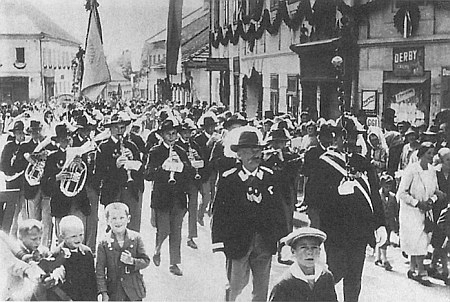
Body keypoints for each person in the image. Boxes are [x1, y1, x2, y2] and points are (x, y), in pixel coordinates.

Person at [306, 118, 386, 302]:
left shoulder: (362, 162)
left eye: (353, 137)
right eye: (345, 136)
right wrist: (336, 191)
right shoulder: (323, 163)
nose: (350, 141)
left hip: (360, 231)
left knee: (354, 278)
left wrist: (380, 224)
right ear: (336, 137)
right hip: (335, 231)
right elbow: (313, 200)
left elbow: (374, 194)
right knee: (336, 271)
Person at [211, 126, 288, 302]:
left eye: (258, 150)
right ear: (239, 155)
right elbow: (219, 213)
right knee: (236, 285)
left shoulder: (269, 177)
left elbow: (278, 209)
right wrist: (218, 243)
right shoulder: (229, 179)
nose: (256, 155)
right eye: (250, 151)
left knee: (261, 290)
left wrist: (283, 238)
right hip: (238, 241)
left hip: (264, 241)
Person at [145, 118, 192, 276]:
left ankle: (174, 263)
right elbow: (148, 174)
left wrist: (182, 166)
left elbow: (190, 173)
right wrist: (163, 168)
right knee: (164, 229)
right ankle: (158, 249)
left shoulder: (181, 151)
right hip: (162, 197)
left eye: (174, 134)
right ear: (162, 135)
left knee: (176, 231)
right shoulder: (155, 151)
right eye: (168, 134)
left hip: (178, 197)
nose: (171, 137)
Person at [397, 142, 445, 286]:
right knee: (416, 240)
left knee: (423, 240)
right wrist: (417, 203)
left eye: (433, 153)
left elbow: (435, 190)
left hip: (426, 211)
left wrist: (432, 200)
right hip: (411, 211)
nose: (431, 156)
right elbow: (401, 193)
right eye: (428, 153)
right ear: (421, 154)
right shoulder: (411, 170)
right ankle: (421, 272)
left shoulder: (432, 170)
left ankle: (412, 270)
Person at [97, 112, 144, 232]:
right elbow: (99, 173)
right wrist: (115, 165)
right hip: (113, 193)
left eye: (122, 128)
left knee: (132, 228)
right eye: (116, 128)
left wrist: (133, 159)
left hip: (130, 192)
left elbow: (141, 170)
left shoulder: (132, 146)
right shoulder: (103, 147)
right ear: (110, 129)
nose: (119, 131)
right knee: (114, 228)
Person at [96, 202, 150, 301]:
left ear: (128, 219)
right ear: (107, 221)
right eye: (114, 218)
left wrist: (132, 261)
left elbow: (146, 261)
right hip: (114, 292)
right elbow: (100, 271)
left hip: (134, 291)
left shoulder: (136, 238)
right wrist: (103, 292)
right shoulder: (103, 243)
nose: (118, 222)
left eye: (121, 218)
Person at [269, 227, 337, 302]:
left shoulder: (326, 277)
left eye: (314, 247)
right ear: (293, 251)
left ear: (319, 251)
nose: (309, 252)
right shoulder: (284, 283)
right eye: (303, 247)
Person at [175, 119, 205, 249]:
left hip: (193, 180)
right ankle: (176, 232)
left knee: (193, 208)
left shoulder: (195, 145)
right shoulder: (175, 145)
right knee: (181, 209)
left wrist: (197, 157)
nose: (187, 135)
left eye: (189, 132)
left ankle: (191, 236)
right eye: (184, 132)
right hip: (180, 181)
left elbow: (203, 162)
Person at [57, 215, 97, 301]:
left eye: (81, 235)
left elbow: (92, 279)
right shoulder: (57, 254)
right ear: (62, 236)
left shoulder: (87, 252)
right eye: (73, 236)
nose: (78, 239)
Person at [428, 147, 450, 284]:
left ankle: (436, 266)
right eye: (448, 160)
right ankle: (436, 266)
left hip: (448, 209)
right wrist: (437, 193)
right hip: (436, 209)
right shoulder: (435, 172)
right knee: (438, 238)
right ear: (441, 160)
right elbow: (429, 187)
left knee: (443, 238)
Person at [0, 120, 26, 235]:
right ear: (14, 134)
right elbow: (3, 165)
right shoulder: (9, 146)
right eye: (18, 133)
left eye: (22, 133)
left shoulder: (26, 147)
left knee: (23, 211)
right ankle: (9, 235)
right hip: (12, 182)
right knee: (13, 211)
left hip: (24, 183)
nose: (21, 135)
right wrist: (13, 172)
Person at [375, 174, 398, 271]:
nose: (388, 188)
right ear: (382, 185)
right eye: (386, 186)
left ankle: (378, 257)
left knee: (385, 239)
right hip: (380, 221)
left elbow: (396, 210)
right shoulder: (377, 195)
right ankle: (385, 260)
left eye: (389, 186)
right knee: (382, 239)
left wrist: (396, 223)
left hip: (389, 222)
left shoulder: (393, 197)